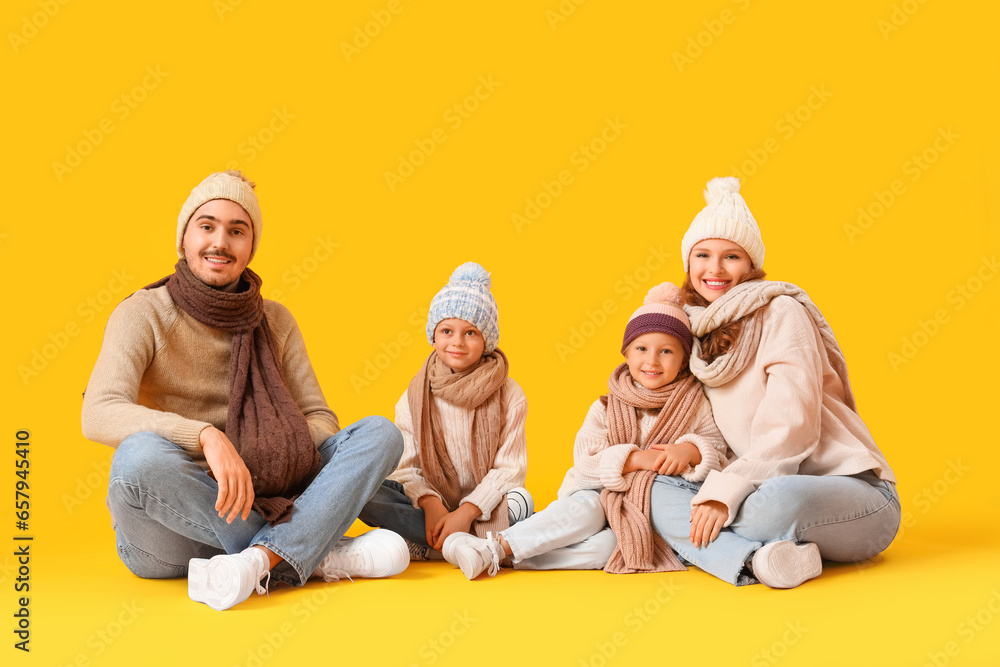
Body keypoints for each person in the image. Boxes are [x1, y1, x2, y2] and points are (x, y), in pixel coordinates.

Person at [81, 170, 409, 611]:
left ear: (250, 247)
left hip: (264, 489)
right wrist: (205, 437)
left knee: (379, 434)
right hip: (172, 530)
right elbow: (98, 412)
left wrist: (258, 453)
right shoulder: (143, 313)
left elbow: (321, 421)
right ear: (183, 238)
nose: (220, 242)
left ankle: (263, 559)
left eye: (237, 231)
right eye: (207, 225)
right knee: (137, 457)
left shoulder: (275, 321)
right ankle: (311, 551)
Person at [649, 176, 900, 588]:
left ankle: (721, 544)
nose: (714, 269)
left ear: (751, 266)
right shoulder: (692, 333)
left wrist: (725, 491)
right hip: (760, 481)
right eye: (703, 255)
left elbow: (792, 429)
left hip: (851, 493)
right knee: (654, 492)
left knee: (773, 506)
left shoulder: (781, 312)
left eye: (731, 256)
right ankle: (760, 561)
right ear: (688, 263)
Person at [442, 283, 729, 580]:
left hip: (638, 515)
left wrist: (691, 450)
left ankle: (500, 556)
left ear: (683, 360)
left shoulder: (695, 404)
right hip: (592, 496)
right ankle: (495, 546)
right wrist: (636, 460)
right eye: (641, 349)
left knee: (608, 549)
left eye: (666, 351)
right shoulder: (605, 406)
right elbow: (586, 465)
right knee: (591, 510)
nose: (652, 361)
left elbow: (719, 452)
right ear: (626, 354)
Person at [359, 262, 533, 564]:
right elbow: (405, 466)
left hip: (486, 507)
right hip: (428, 506)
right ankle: (463, 544)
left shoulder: (510, 394)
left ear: (487, 340)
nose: (457, 342)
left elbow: (510, 470)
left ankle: (435, 546)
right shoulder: (414, 396)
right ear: (433, 334)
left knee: (522, 501)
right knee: (366, 491)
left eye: (471, 333)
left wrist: (467, 511)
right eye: (447, 330)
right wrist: (430, 504)